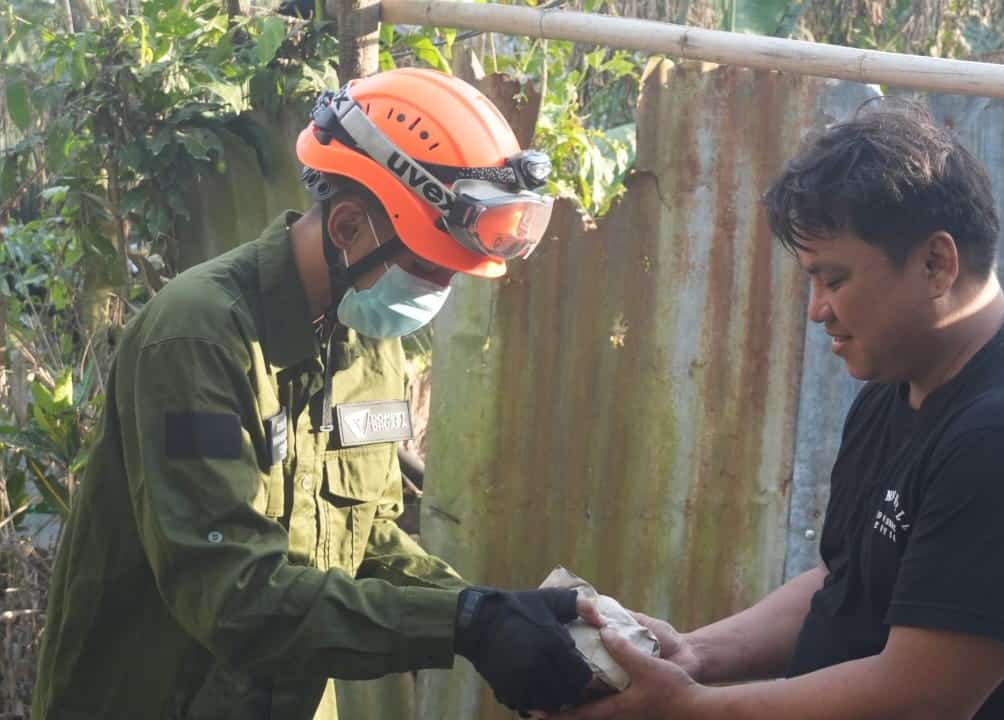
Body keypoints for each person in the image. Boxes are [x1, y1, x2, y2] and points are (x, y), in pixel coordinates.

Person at [33, 68, 591, 720]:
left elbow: (372, 539)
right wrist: (464, 624)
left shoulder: (369, 342)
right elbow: (233, 595)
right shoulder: (198, 341)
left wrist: (497, 612)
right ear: (350, 224)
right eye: (426, 265)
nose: (437, 290)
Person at [556, 101, 1004, 720]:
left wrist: (687, 709)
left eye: (833, 280)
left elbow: (917, 699)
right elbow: (850, 585)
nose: (817, 310)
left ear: (937, 264)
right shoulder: (897, 389)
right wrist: (694, 655)